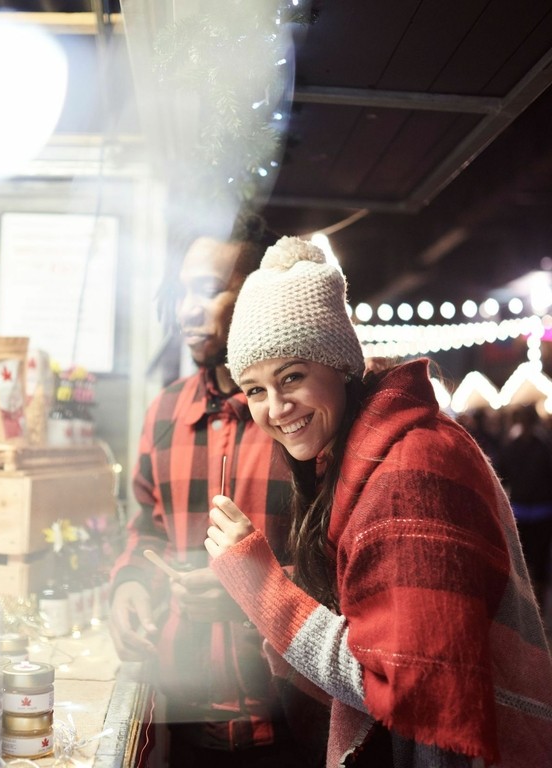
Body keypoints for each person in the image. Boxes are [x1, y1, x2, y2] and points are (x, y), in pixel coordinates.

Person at [203, 235, 552, 767]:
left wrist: (263, 588)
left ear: (340, 365)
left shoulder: (409, 468)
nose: (274, 408)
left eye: (291, 376)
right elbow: (383, 606)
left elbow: (403, 683)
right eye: (254, 389)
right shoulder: (365, 455)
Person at [109, 213, 329, 767]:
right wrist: (129, 584)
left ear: (254, 296)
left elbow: (349, 568)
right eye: (181, 292)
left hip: (296, 719)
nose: (187, 309)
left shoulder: (301, 420)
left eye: (207, 291)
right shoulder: (164, 413)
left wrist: (255, 592)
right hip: (187, 713)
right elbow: (145, 527)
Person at [496, 404, 552, 615]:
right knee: (536, 562)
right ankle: (537, 608)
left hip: (527, 511)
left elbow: (501, 475)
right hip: (540, 512)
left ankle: (531, 609)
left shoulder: (513, 446)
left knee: (527, 562)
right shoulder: (544, 445)